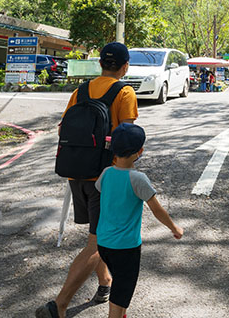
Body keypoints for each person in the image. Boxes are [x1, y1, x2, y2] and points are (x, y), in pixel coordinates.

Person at [37, 42, 138, 318]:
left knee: (96, 234)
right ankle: (59, 305)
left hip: (75, 175)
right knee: (97, 243)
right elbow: (127, 140)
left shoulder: (79, 92)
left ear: (101, 64)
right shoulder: (124, 92)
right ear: (125, 65)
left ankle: (105, 283)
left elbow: (63, 131)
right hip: (105, 179)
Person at [95, 123, 183, 318]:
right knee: (121, 293)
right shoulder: (137, 178)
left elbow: (101, 190)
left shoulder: (106, 173)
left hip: (104, 243)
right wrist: (174, 227)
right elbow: (157, 210)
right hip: (126, 248)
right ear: (139, 151)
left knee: (120, 282)